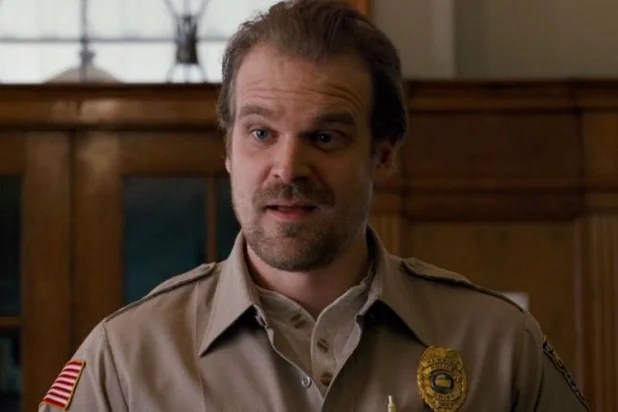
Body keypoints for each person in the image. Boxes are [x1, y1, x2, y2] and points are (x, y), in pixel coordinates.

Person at [40, 1, 588, 411]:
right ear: (228, 149)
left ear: (382, 154)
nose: (287, 167)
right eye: (260, 133)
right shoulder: (125, 359)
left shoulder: (499, 347)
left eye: (324, 137)